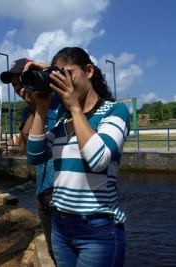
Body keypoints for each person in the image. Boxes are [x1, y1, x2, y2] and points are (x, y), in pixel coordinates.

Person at [27, 47, 130, 267]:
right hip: (60, 225)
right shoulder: (62, 122)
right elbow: (34, 156)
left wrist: (74, 107)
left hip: (98, 229)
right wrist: (41, 110)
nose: (64, 82)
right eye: (58, 76)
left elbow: (98, 160)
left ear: (89, 71)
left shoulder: (115, 111)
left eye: (68, 73)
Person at [0, 58, 61, 262]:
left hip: (61, 188)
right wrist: (35, 110)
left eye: (22, 82)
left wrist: (43, 66)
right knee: (54, 251)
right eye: (15, 85)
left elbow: (78, 77)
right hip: (42, 189)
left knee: (66, 250)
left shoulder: (60, 100)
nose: (18, 88)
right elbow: (26, 150)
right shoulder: (28, 110)